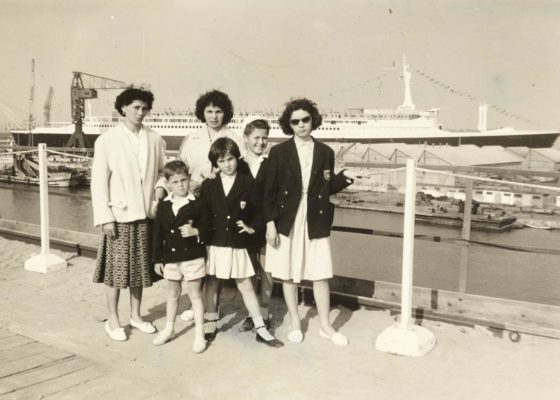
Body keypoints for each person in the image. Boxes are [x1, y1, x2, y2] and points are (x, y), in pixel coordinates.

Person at [263, 98, 355, 346]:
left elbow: (325, 188)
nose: (301, 125)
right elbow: (268, 192)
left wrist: (345, 178)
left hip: (316, 216)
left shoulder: (326, 152)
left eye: (305, 119)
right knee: (289, 274)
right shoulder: (279, 152)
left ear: (313, 120)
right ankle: (295, 321)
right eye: (295, 121)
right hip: (287, 218)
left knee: (320, 273)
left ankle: (325, 326)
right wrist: (270, 224)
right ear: (288, 125)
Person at [154, 89, 243, 323]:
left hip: (221, 204)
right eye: (209, 111)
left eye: (219, 111)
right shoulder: (192, 137)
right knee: (196, 253)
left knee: (213, 256)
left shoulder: (235, 136)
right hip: (191, 203)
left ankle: (208, 306)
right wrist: (161, 188)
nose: (214, 116)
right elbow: (177, 168)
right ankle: (199, 304)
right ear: (202, 113)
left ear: (226, 113)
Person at [91, 87, 166, 341]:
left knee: (140, 270)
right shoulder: (106, 140)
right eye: (135, 107)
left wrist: (159, 189)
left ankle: (136, 315)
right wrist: (105, 218)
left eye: (144, 108)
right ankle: (113, 320)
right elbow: (99, 183)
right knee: (115, 271)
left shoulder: (155, 139)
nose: (140, 112)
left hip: (146, 214)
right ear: (123, 108)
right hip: (119, 216)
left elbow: (163, 173)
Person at [198, 137, 283, 348]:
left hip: (237, 243)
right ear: (215, 164)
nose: (227, 164)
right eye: (221, 161)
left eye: (231, 159)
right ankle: (210, 322)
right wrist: (201, 236)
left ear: (237, 158)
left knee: (245, 284)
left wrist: (252, 227)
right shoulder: (209, 185)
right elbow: (204, 214)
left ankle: (260, 328)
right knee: (212, 282)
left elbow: (258, 209)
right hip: (216, 243)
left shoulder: (248, 182)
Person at [151, 160, 207, 353]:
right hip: (171, 258)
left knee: (196, 295)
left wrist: (196, 231)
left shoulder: (198, 204)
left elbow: (209, 228)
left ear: (189, 179)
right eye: (175, 182)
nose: (181, 185)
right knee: (172, 295)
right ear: (168, 184)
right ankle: (169, 329)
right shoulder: (164, 206)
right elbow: (158, 234)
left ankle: (199, 334)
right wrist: (157, 258)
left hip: (193, 256)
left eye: (184, 180)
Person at [237, 116, 274, 332]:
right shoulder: (237, 164)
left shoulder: (271, 164)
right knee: (248, 273)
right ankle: (253, 315)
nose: (261, 142)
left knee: (267, 272)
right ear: (246, 138)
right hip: (243, 227)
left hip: (266, 225)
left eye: (265, 138)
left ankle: (266, 314)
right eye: (256, 138)